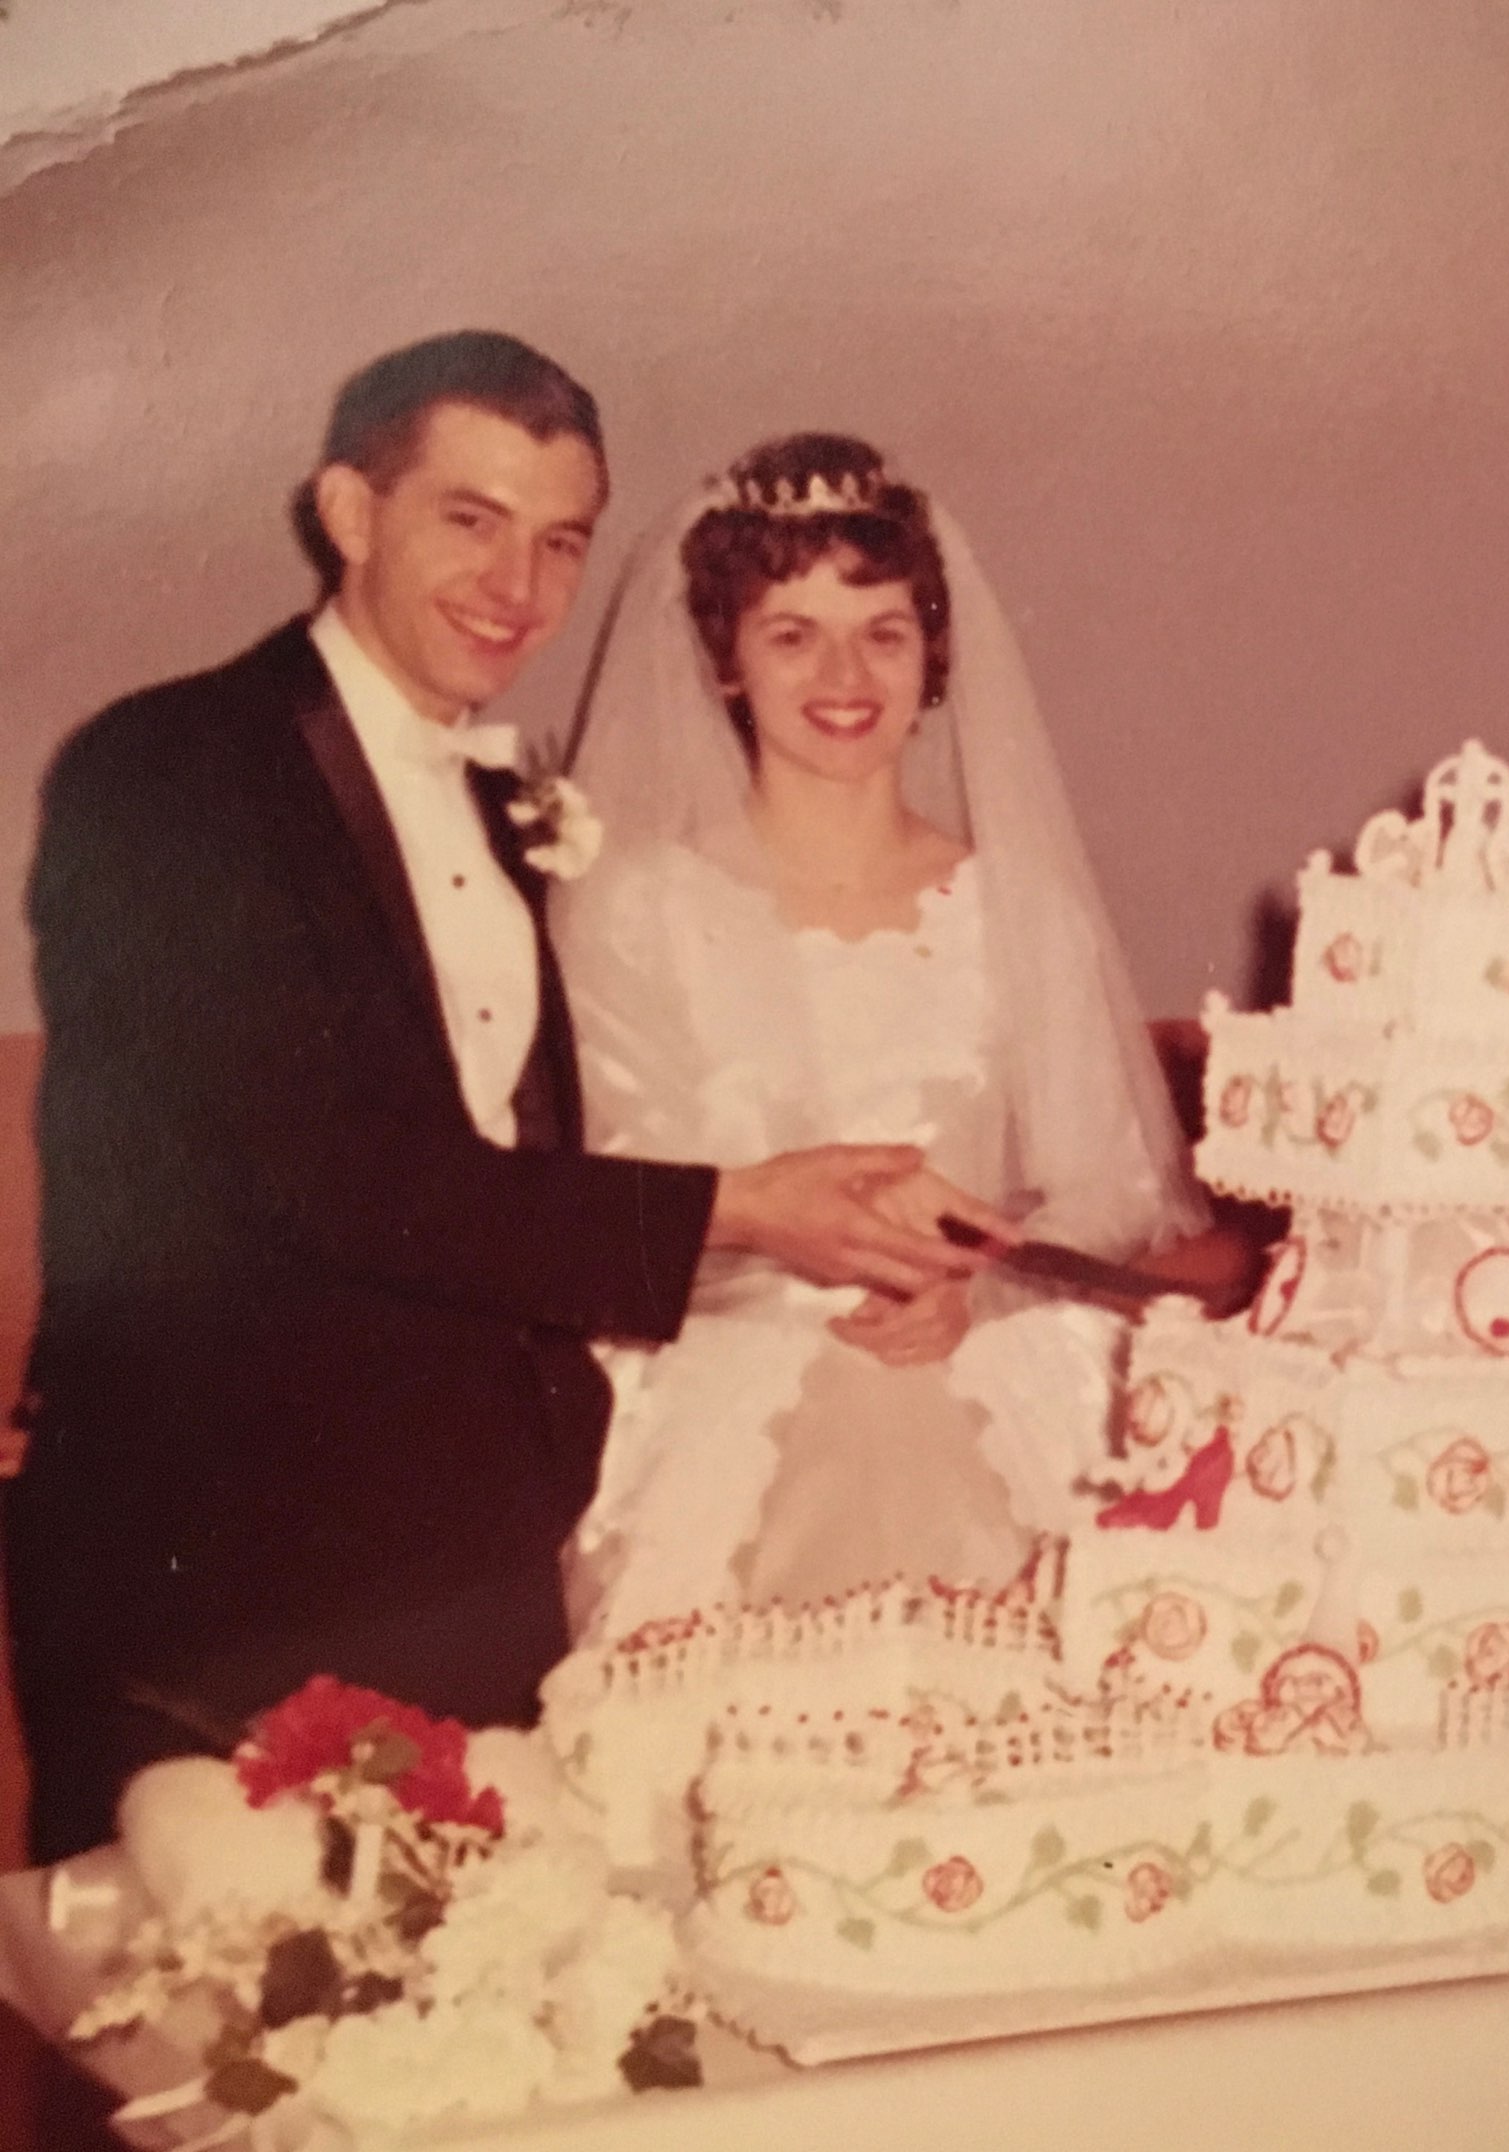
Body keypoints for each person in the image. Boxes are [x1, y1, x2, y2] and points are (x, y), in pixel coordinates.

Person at [7, 335, 1011, 1865]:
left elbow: (555, 1166)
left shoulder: (516, 807)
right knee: (223, 2036)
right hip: (218, 1561)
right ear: (349, 510)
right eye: (468, 521)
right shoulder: (167, 773)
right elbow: (326, 1171)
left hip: (474, 1552)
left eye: (559, 542)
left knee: (486, 2036)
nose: (518, 587)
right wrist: (751, 1207)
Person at [545, 432, 1201, 1718]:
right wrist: (797, 1253)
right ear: (727, 662)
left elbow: (1105, 1189)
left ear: (933, 660)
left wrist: (971, 1285)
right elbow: (607, 1201)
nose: (843, 675)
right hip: (725, 1363)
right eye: (793, 634)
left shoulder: (1019, 907)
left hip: (982, 1343)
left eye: (883, 633)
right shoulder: (634, 911)